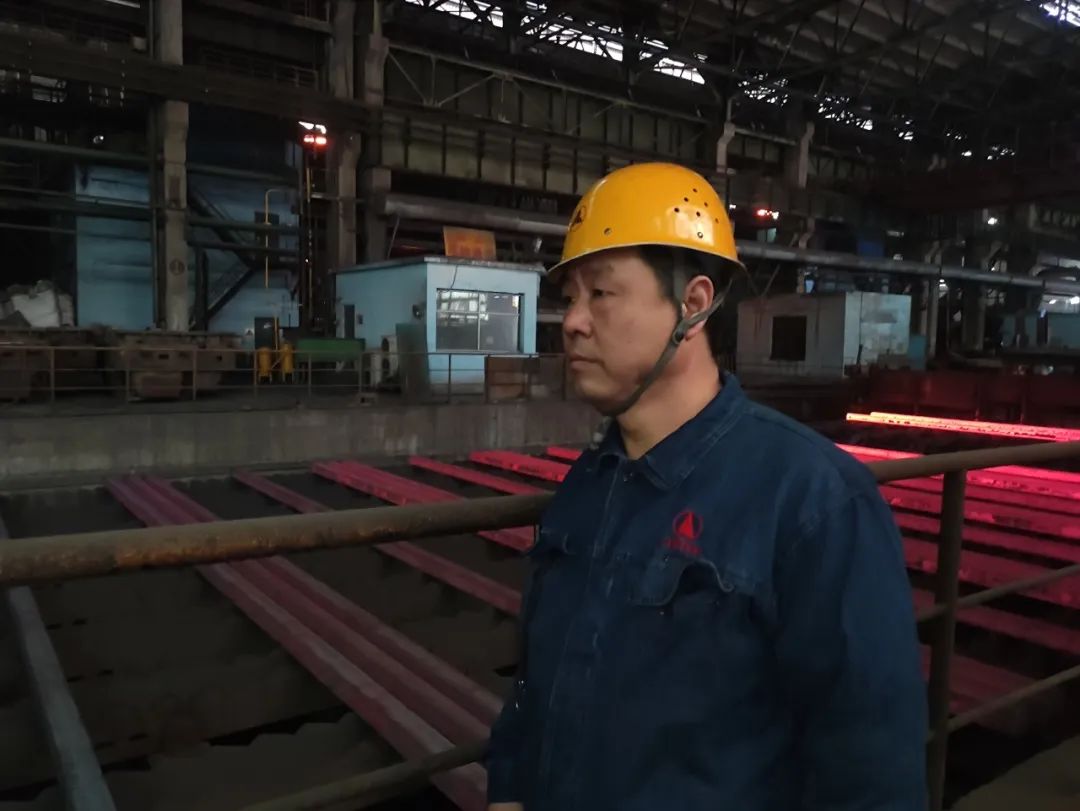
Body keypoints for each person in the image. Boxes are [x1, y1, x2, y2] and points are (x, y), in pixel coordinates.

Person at [485, 162, 928, 811]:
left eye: (600, 293)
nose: (572, 321)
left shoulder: (812, 502)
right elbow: (536, 688)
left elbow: (870, 773)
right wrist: (508, 788)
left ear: (692, 306)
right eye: (570, 296)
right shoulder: (588, 485)